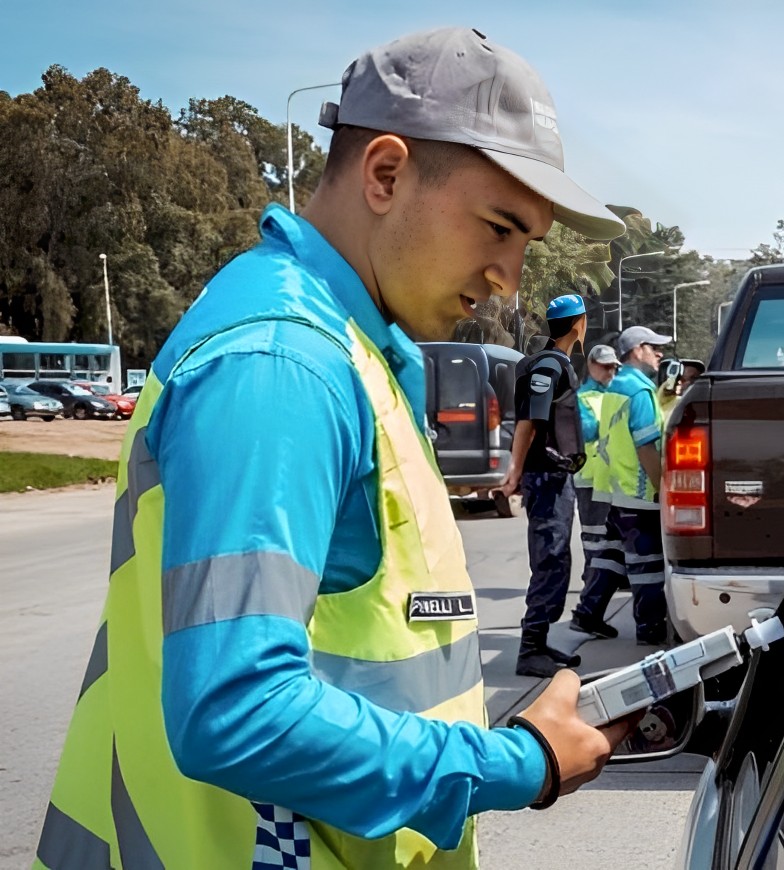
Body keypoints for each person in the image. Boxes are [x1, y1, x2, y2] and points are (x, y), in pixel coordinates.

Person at [37, 28, 633, 869]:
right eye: (499, 228)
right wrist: (515, 763)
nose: (510, 277)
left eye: (524, 244)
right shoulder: (283, 363)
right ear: (385, 174)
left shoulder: (352, 347)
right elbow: (237, 710)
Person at [498, 294, 589, 678]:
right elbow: (529, 421)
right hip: (547, 476)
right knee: (550, 559)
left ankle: (541, 641)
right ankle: (530, 648)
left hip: (555, 475)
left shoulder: (552, 362)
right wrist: (515, 469)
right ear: (577, 325)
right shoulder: (549, 366)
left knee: (556, 559)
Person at [589, 324, 674, 644]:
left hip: (618, 488)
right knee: (647, 566)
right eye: (654, 347)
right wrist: (662, 487)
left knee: (610, 556)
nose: (659, 353)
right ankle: (649, 626)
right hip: (640, 492)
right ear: (637, 350)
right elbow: (645, 446)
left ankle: (588, 612)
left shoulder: (617, 387)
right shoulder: (639, 391)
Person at [570, 343, 629, 639]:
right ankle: (590, 596)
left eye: (614, 366)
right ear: (591, 365)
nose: (610, 371)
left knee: (609, 544)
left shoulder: (614, 394)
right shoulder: (584, 398)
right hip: (591, 480)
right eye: (605, 365)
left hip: (612, 480)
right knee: (595, 544)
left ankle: (594, 598)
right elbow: (588, 432)